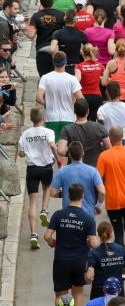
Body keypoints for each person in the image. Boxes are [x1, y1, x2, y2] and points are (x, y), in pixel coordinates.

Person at [18, 105, 59, 250]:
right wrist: (58, 158)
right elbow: (53, 146)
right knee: (47, 188)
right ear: (43, 118)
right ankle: (44, 209)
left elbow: (21, 153)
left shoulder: (25, 134)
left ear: (31, 119)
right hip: (46, 166)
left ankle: (34, 234)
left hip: (32, 168)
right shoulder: (49, 132)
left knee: (32, 201)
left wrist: (27, 153)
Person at [36, 50, 82, 141]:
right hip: (69, 117)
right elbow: (81, 99)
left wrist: (47, 104)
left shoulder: (45, 78)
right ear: (65, 62)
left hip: (51, 117)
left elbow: (38, 98)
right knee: (66, 147)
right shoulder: (72, 79)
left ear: (53, 62)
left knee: (53, 146)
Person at [57, 97, 110, 167]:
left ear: (74, 111)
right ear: (88, 111)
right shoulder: (99, 127)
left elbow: (61, 150)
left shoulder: (67, 129)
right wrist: (99, 147)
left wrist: (73, 150)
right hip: (94, 169)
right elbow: (108, 147)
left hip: (74, 169)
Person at [86, 222, 125, 299]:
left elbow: (89, 277)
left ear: (98, 234)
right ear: (112, 234)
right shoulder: (120, 249)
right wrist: (119, 269)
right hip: (117, 289)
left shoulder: (93, 252)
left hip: (99, 290)